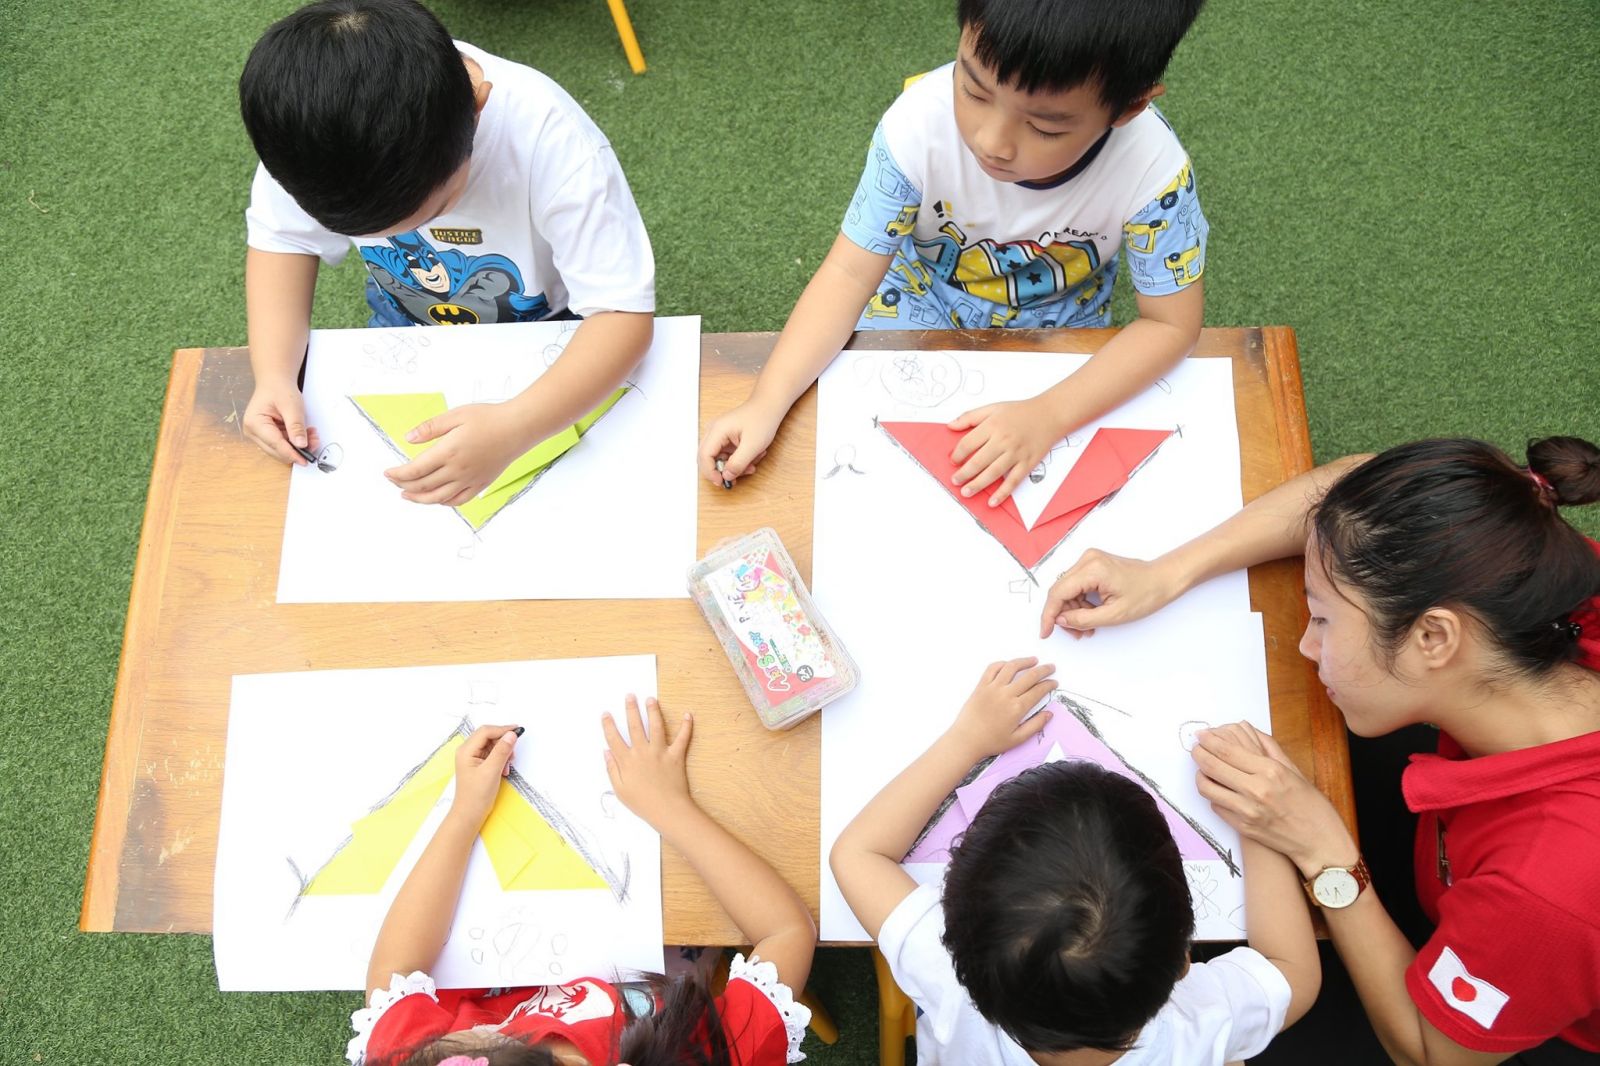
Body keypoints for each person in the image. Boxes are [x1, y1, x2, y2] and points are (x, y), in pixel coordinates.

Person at [1039, 436, 1600, 1064]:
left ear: (1434, 637)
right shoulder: (1532, 570)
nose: (1307, 643)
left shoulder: (1548, 891)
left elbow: (1430, 1050)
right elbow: (1354, 490)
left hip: (1498, 1018)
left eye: (1324, 619)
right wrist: (1168, 572)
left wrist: (1325, 853)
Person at [700, 0, 1208, 506]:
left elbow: (1170, 326)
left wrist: (1050, 415)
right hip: (919, 294)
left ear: (1129, 107)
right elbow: (849, 273)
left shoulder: (1153, 173)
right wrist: (766, 401)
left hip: (1060, 319)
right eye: (973, 90)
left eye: (1046, 128)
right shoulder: (917, 124)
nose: (992, 142)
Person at [239, 0, 654, 507]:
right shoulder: (308, 131)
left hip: (555, 326)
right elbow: (284, 241)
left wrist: (515, 427)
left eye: (433, 212)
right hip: (404, 315)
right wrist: (275, 375)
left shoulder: (554, 141)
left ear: (477, 107)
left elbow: (620, 315)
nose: (418, 235)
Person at [830, 657, 1320, 1064]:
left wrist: (966, 740)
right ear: (1183, 963)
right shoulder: (1202, 1023)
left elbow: (858, 854)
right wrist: (1257, 821)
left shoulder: (950, 982)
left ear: (953, 935)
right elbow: (1294, 974)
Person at [349, 703, 815, 1065]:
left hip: (502, 968)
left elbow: (394, 970)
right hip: (656, 972)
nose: (456, 1038)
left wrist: (464, 813)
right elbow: (785, 932)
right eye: (472, 1040)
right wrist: (670, 807)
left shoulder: (408, 1056)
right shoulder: (707, 1054)